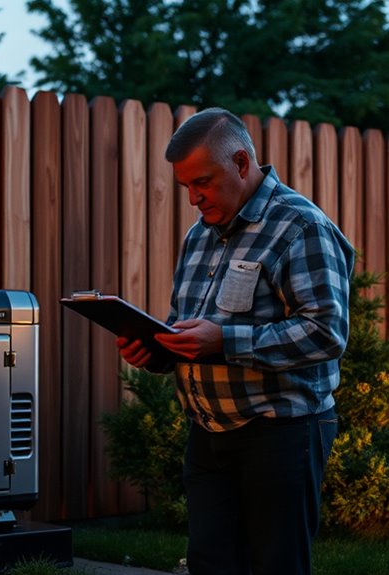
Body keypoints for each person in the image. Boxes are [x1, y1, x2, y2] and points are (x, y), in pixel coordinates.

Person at [117, 107, 354, 575]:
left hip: (282, 433)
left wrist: (225, 342)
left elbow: (326, 332)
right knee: (211, 564)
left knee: (275, 565)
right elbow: (189, 326)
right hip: (207, 436)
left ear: (241, 163)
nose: (192, 198)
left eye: (201, 182)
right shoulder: (199, 236)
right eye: (186, 185)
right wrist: (157, 350)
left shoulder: (301, 227)